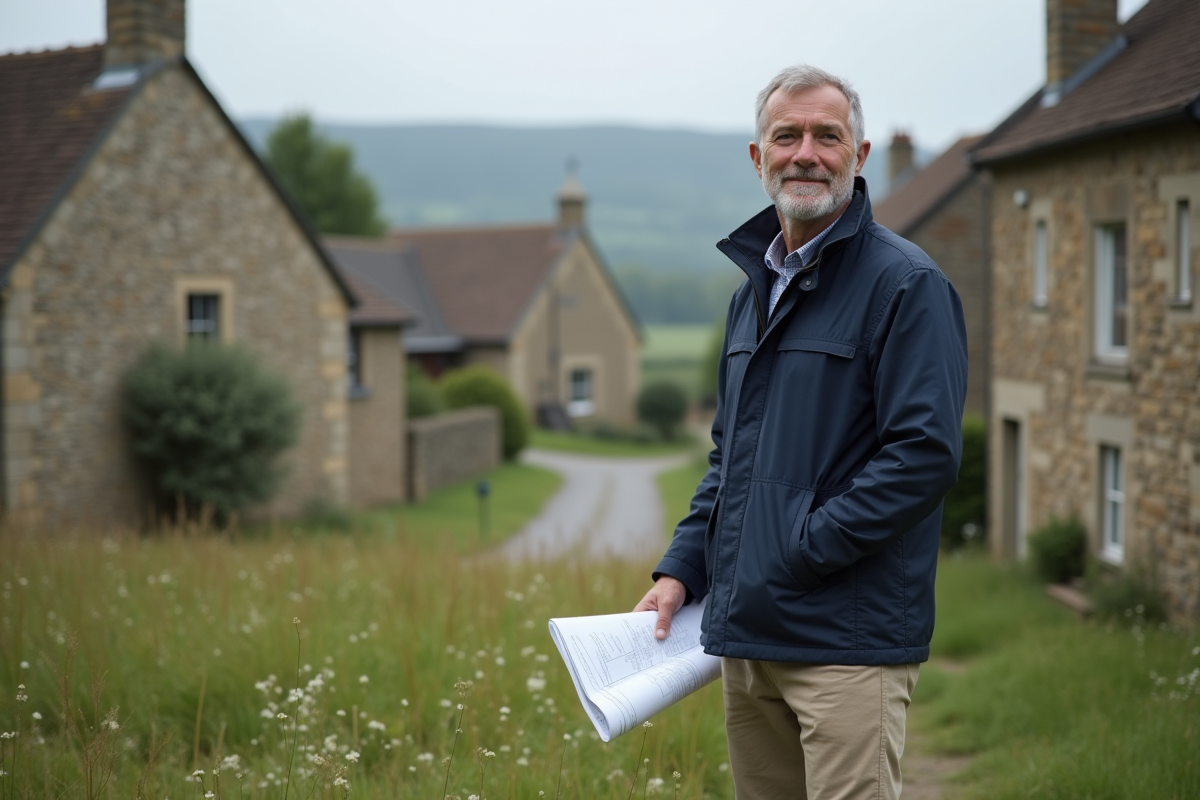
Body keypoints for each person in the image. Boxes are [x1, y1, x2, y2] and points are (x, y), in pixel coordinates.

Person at [633, 64, 968, 800]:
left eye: (828, 136)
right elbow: (731, 456)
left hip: (846, 646)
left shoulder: (907, 286)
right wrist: (681, 570)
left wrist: (801, 546)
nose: (806, 153)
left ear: (859, 155)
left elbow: (925, 456)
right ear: (759, 158)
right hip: (747, 646)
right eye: (787, 136)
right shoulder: (750, 299)